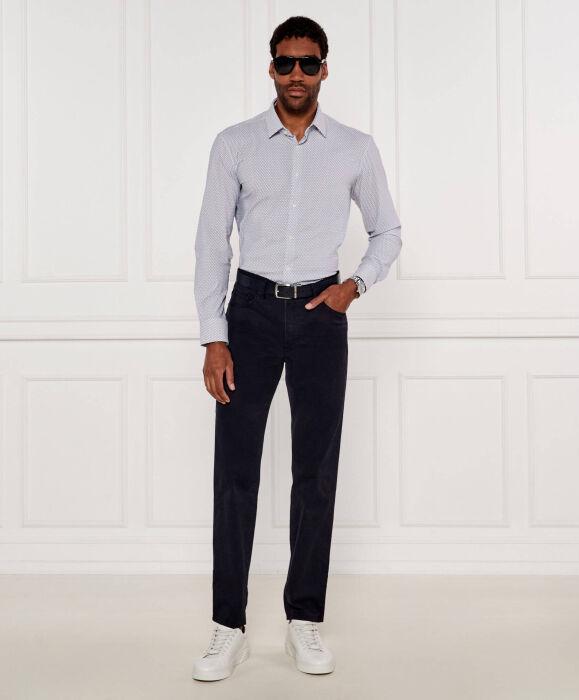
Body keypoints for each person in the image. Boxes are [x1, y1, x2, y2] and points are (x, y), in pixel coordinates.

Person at [192, 15, 402, 682]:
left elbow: (388, 231)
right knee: (235, 472)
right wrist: (214, 336)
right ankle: (228, 627)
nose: (296, 75)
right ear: (271, 68)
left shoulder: (355, 149)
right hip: (250, 313)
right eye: (285, 63)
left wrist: (353, 287)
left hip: (319, 316)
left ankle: (303, 621)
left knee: (315, 473)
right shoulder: (234, 144)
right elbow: (210, 243)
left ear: (324, 70)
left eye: (308, 63)